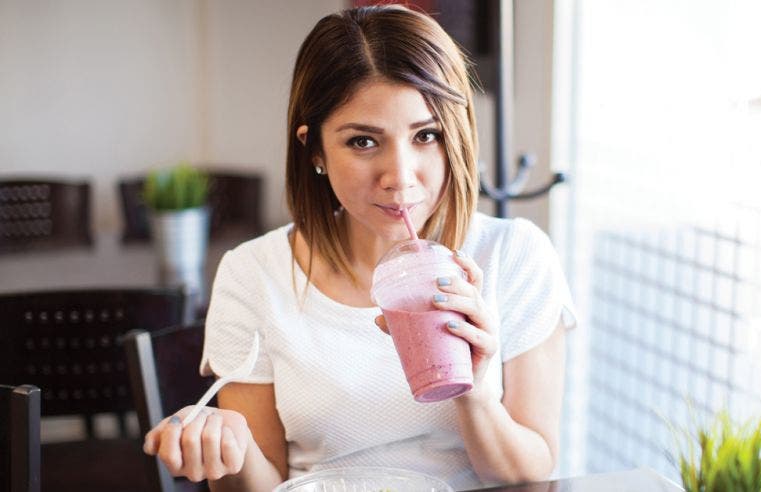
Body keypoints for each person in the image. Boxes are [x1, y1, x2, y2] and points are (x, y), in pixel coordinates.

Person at [142, 5, 576, 491]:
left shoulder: (513, 256)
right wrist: (231, 447)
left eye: (426, 135)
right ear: (315, 151)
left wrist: (476, 394)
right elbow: (260, 485)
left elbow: (532, 475)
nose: (401, 177)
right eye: (364, 142)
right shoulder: (254, 273)